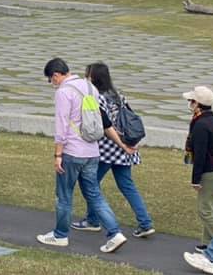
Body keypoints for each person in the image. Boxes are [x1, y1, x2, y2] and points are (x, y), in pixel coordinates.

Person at [36, 58, 127, 254]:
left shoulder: (64, 92)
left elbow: (61, 126)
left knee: (64, 196)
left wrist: (57, 154)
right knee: (94, 194)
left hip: (72, 151)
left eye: (51, 80)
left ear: (56, 75)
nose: (53, 84)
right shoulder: (89, 87)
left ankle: (60, 235)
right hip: (92, 150)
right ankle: (114, 232)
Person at [72, 62, 155, 238]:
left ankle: (93, 220)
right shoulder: (118, 95)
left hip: (106, 148)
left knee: (91, 184)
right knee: (127, 185)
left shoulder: (96, 97)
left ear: (92, 77)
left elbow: (103, 125)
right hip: (123, 149)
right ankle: (145, 222)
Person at [181, 86, 213, 251]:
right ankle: (209, 243)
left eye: (191, 101)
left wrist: (195, 179)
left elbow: (199, 155)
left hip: (210, 171)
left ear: (197, 104)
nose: (189, 104)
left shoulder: (200, 125)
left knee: (205, 211)